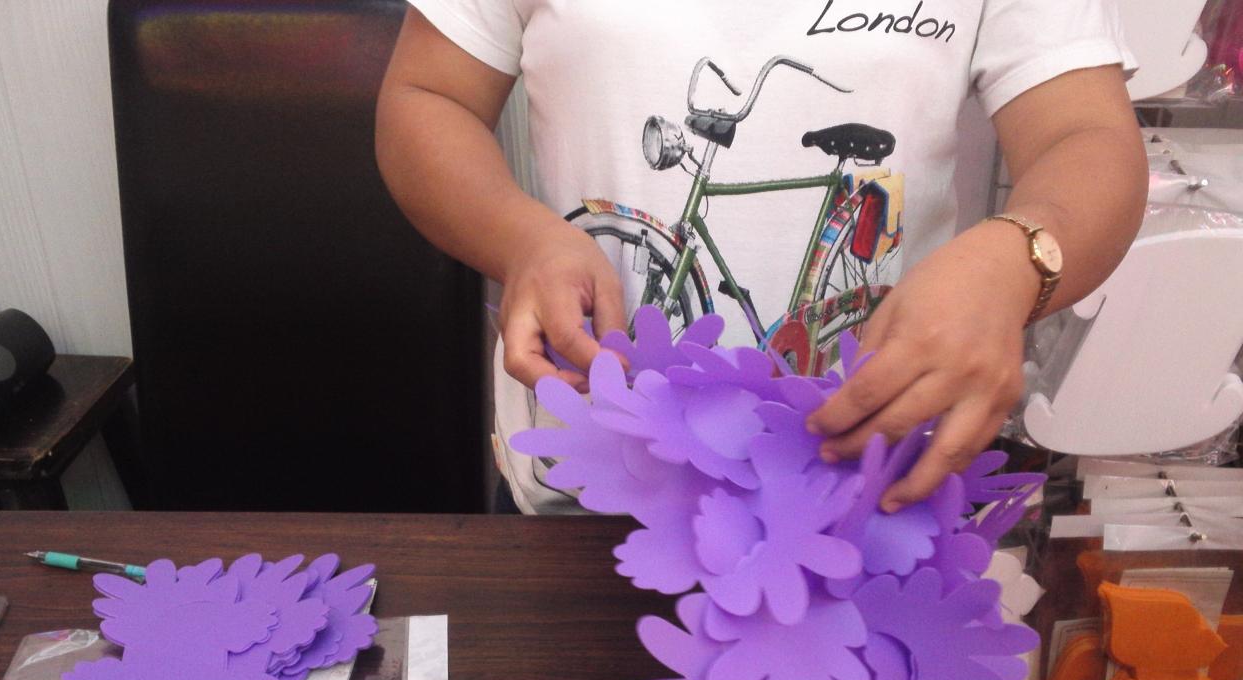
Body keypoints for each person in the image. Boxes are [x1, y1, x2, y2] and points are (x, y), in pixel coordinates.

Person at [376, 0, 1147, 514]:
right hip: (589, 487)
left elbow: (1086, 135)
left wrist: (1016, 260)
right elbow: (430, 96)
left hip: (873, 490)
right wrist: (525, 238)